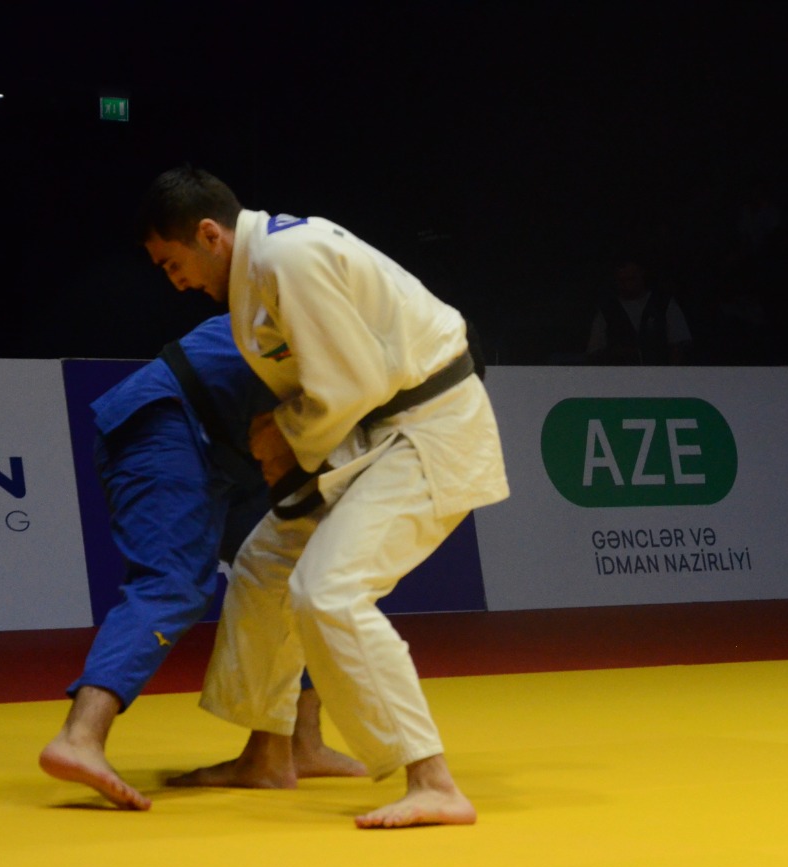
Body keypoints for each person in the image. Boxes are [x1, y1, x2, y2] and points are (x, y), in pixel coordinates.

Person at [136, 165, 509, 829]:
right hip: (368, 434)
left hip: (428, 429)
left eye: (173, 263)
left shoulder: (289, 258)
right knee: (263, 568)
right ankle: (268, 754)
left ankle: (432, 779)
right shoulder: (260, 271)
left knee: (329, 591)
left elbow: (352, 382)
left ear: (210, 235)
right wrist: (287, 432)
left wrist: (283, 433)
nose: (176, 281)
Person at [38, 313, 363, 810]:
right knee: (172, 582)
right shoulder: (334, 309)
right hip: (168, 418)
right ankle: (79, 736)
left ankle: (294, 746)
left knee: (301, 569)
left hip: (232, 450)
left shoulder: (373, 344)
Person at [583, 257, 692, 365]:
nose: (627, 284)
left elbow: (678, 344)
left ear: (642, 275)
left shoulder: (663, 304)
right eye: (622, 280)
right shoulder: (607, 310)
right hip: (622, 374)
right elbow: (594, 350)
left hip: (659, 372)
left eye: (631, 279)